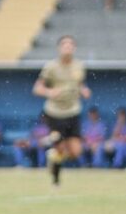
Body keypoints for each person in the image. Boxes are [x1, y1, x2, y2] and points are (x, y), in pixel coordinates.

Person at [33, 35, 91, 187]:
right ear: (59, 48)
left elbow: (79, 84)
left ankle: (51, 153)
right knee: (59, 147)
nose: (68, 48)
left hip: (73, 111)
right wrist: (49, 92)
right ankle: (56, 181)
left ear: (74, 48)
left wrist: (84, 90)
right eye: (65, 45)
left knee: (75, 152)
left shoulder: (79, 66)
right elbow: (37, 88)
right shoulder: (51, 67)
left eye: (70, 45)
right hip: (55, 112)